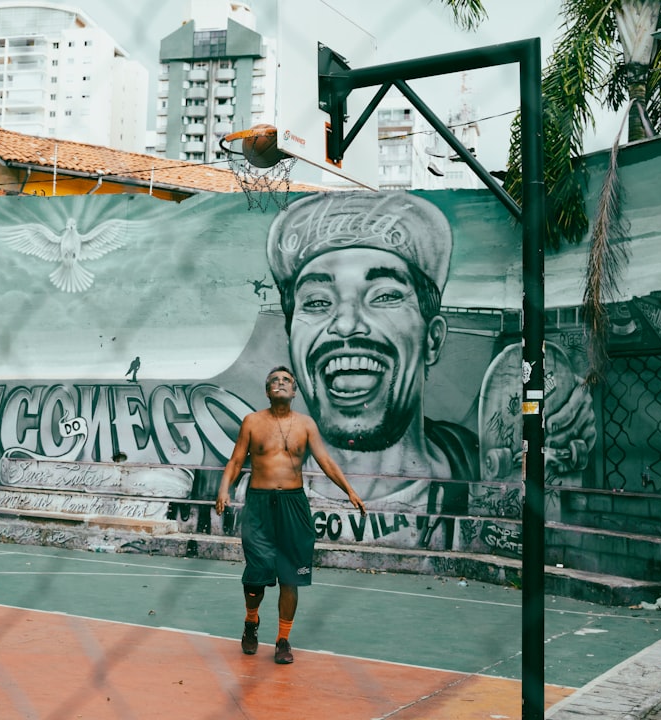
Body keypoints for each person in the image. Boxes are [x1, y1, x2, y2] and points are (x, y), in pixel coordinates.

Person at [265, 192, 594, 543]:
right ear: (290, 340)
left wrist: (561, 435)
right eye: (316, 302)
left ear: (432, 339)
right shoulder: (258, 489)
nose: (346, 325)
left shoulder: (477, 468)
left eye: (385, 296)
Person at [215, 365, 365, 664]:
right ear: (267, 390)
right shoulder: (252, 422)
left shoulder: (306, 424)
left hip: (294, 505)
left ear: (294, 391)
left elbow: (325, 460)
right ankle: (251, 620)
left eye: (286, 380)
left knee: (290, 577)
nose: (280, 383)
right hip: (259, 505)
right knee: (256, 575)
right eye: (274, 380)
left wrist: (349, 490)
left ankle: (283, 639)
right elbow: (235, 460)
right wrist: (223, 489)